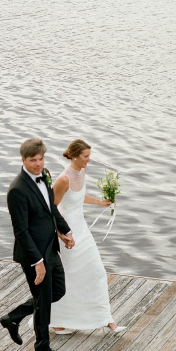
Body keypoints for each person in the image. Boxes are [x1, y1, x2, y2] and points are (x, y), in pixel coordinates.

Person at [0, 138, 76, 351]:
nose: (38, 164)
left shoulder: (47, 174)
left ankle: (13, 317)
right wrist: (37, 262)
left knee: (57, 291)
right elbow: (21, 232)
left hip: (51, 247)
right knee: (43, 301)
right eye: (33, 160)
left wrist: (65, 230)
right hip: (34, 255)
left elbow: (50, 208)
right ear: (23, 160)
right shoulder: (17, 190)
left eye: (41, 159)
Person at [50, 139, 125, 334]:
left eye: (89, 156)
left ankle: (106, 319)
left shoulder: (81, 171)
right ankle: (58, 322)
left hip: (82, 229)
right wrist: (61, 233)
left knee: (97, 272)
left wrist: (101, 203)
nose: (89, 160)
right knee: (68, 277)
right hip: (67, 233)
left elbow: (78, 196)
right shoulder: (62, 179)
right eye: (85, 156)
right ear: (74, 156)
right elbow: (50, 209)